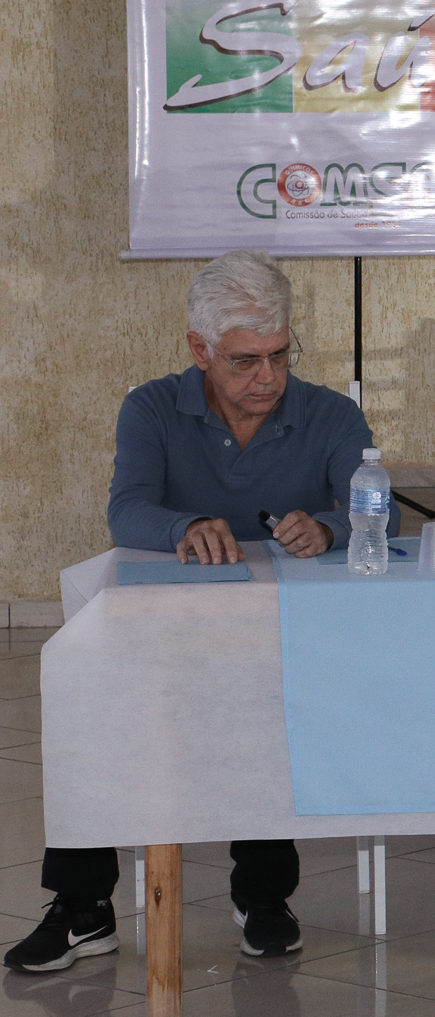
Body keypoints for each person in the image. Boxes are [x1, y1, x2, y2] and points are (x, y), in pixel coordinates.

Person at [5, 249, 395, 972]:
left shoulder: (331, 413)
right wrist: (182, 528)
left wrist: (332, 527)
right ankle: (84, 908)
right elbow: (128, 510)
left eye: (280, 356)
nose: (268, 379)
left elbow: (378, 509)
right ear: (199, 350)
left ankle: (265, 896)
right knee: (88, 710)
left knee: (269, 712)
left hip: (280, 632)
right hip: (162, 629)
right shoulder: (152, 406)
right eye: (246, 361)